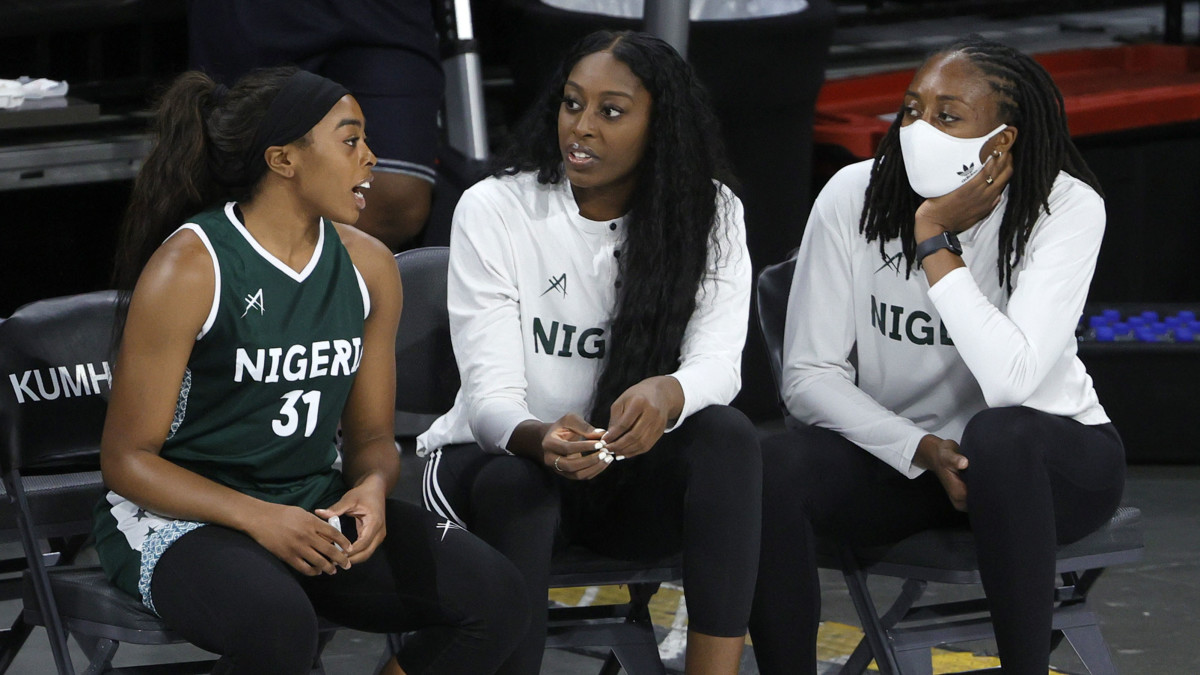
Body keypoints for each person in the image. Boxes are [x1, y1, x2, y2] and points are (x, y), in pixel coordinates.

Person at [92, 66, 529, 675]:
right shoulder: (192, 266)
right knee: (278, 627)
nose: (372, 159)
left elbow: (373, 440)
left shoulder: (370, 266)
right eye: (350, 141)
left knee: (499, 599)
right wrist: (261, 519)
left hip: (310, 508)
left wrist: (371, 490)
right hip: (182, 520)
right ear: (283, 159)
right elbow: (127, 461)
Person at [748, 35, 1126, 675]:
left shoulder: (1064, 207)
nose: (919, 128)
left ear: (1001, 141)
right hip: (912, 462)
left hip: (1046, 463)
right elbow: (808, 377)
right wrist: (915, 447)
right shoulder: (852, 194)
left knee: (1001, 434)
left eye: (948, 116)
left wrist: (934, 243)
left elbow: (1012, 381)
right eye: (912, 110)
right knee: (770, 464)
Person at [416, 30, 762, 675]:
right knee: (521, 488)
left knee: (728, 438)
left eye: (611, 111)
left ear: (662, 126)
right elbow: (491, 401)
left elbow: (720, 364)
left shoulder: (711, 212)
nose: (582, 127)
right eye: (572, 104)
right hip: (496, 464)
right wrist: (542, 437)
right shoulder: (495, 209)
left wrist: (669, 392)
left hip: (621, 479)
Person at [187, 0, 445, 251]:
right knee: (243, 180)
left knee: (393, 199)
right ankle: (265, 281)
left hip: (383, 11)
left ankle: (316, 281)